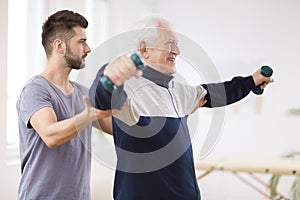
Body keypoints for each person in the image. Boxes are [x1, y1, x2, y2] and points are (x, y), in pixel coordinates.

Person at [89, 16, 273, 200]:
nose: (176, 51)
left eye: (176, 44)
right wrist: (109, 76)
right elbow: (103, 100)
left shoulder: (176, 90)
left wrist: (251, 81)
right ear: (144, 49)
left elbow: (215, 93)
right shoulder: (129, 89)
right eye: (169, 44)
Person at [16, 10, 112, 200]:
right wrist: (87, 116)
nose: (88, 48)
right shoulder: (36, 90)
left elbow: (118, 129)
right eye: (81, 41)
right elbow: (51, 135)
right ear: (59, 46)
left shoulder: (83, 93)